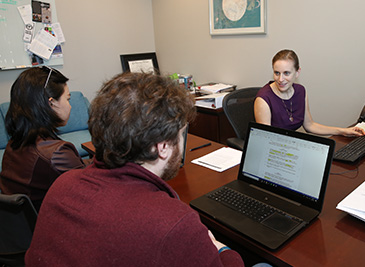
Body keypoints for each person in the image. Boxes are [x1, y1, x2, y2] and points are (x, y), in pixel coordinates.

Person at [25, 72, 245, 266]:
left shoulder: (62, 185)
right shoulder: (174, 223)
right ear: (163, 147)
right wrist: (219, 247)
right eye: (181, 134)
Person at [0, 66, 90, 211]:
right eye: (67, 99)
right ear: (51, 103)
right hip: (52, 224)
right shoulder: (56, 153)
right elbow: (90, 193)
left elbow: (73, 167)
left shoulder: (16, 142)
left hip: (21, 226)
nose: (70, 106)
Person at [254, 49, 365, 137]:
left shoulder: (300, 91)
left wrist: (342, 131)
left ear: (297, 72)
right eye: (277, 73)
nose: (280, 79)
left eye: (286, 73)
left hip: (290, 145)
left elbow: (310, 125)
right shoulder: (263, 99)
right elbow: (266, 139)